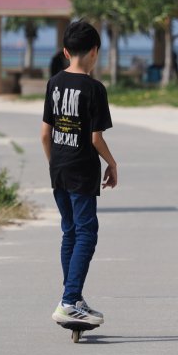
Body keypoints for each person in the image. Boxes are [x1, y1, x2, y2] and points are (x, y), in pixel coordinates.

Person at [41, 20, 117, 327]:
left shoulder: (54, 82)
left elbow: (44, 134)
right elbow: (96, 139)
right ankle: (70, 300)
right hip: (82, 172)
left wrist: (55, 164)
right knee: (86, 233)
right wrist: (113, 163)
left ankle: (71, 297)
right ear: (95, 51)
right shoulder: (95, 89)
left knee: (69, 232)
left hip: (59, 169)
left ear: (65, 52)